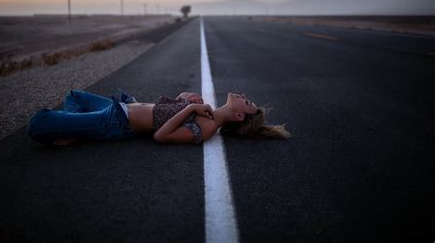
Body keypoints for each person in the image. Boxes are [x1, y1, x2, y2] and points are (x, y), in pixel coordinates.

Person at [28, 89, 291, 146]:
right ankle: (75, 132)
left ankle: (76, 129)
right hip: (124, 106)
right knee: (75, 96)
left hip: (116, 121)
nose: (244, 96)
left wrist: (188, 110)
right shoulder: (206, 110)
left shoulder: (208, 127)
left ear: (237, 115)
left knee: (39, 123)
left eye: (248, 102)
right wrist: (182, 99)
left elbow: (161, 135)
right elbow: (164, 113)